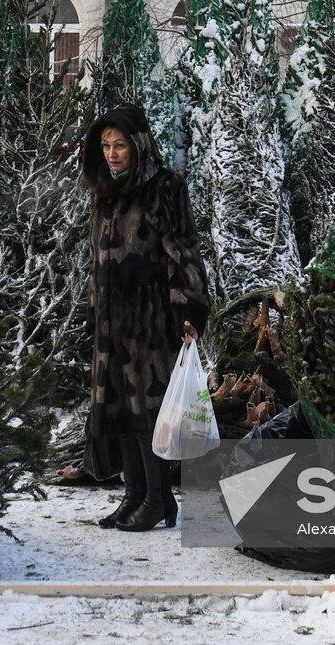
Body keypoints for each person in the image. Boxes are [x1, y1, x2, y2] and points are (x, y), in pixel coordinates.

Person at [80, 104, 211, 532]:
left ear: (138, 146)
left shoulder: (164, 188)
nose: (112, 153)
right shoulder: (104, 189)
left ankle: (158, 499)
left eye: (119, 145)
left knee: (148, 412)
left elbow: (184, 251)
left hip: (151, 319)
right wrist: (95, 305)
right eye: (106, 145)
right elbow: (97, 259)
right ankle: (134, 495)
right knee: (118, 408)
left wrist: (188, 309)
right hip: (112, 323)